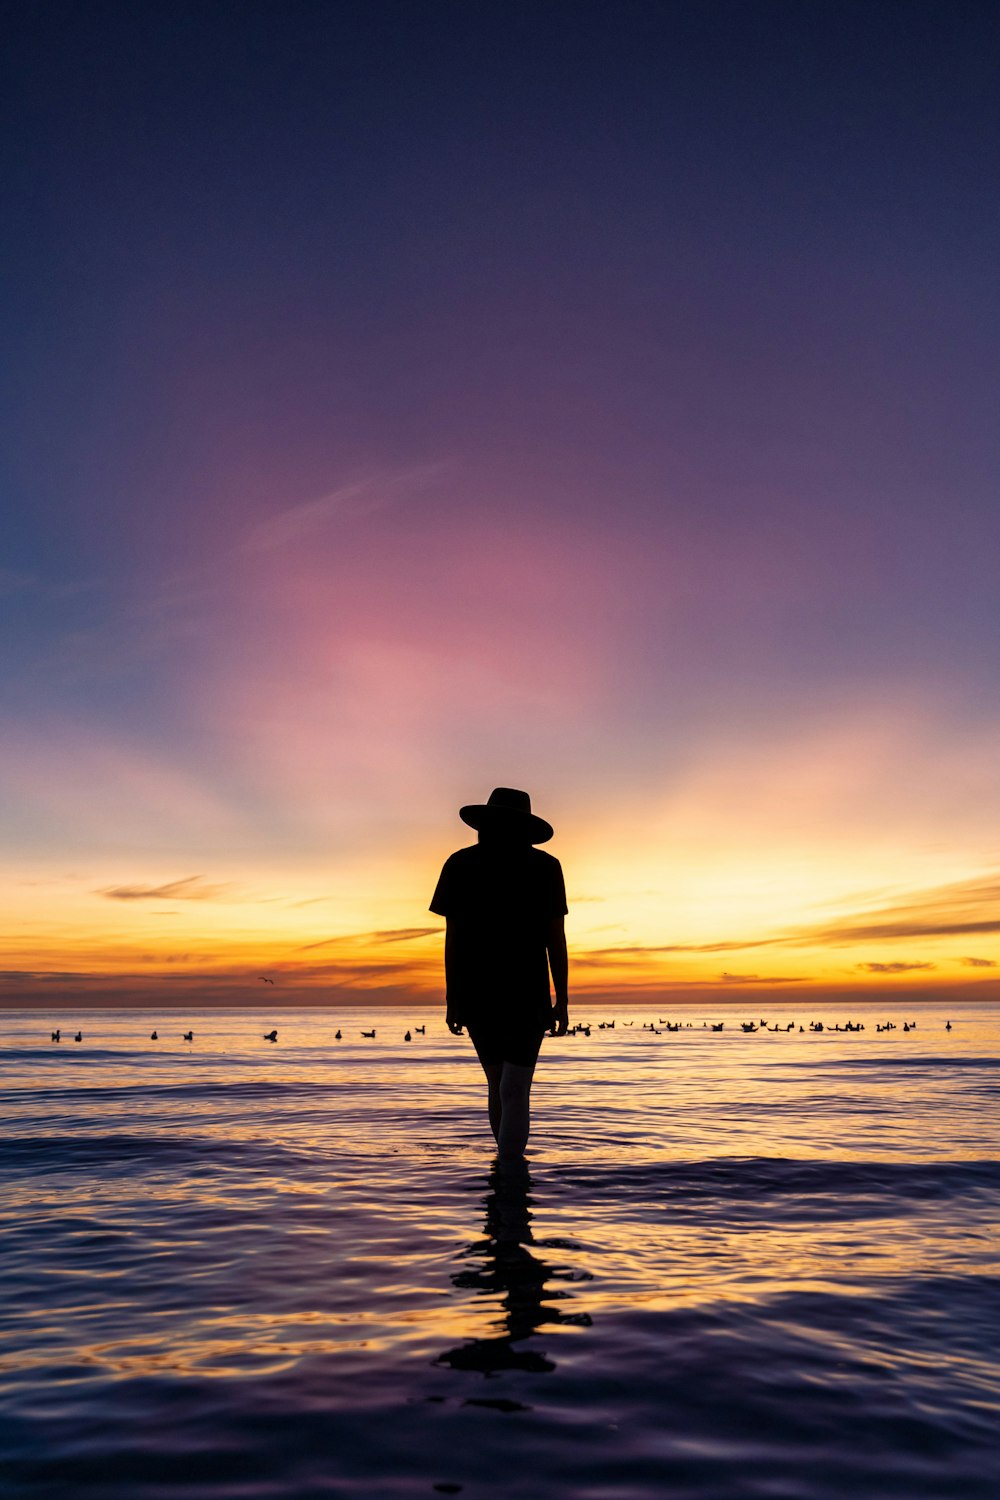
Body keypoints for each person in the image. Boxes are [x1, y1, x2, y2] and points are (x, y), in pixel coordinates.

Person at [430, 787, 569, 1160]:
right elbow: (554, 938)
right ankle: (509, 1172)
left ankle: (506, 1171)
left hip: (500, 991)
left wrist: (453, 998)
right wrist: (562, 1000)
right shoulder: (539, 866)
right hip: (510, 991)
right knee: (508, 1087)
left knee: (503, 1086)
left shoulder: (467, 864)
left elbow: (553, 936)